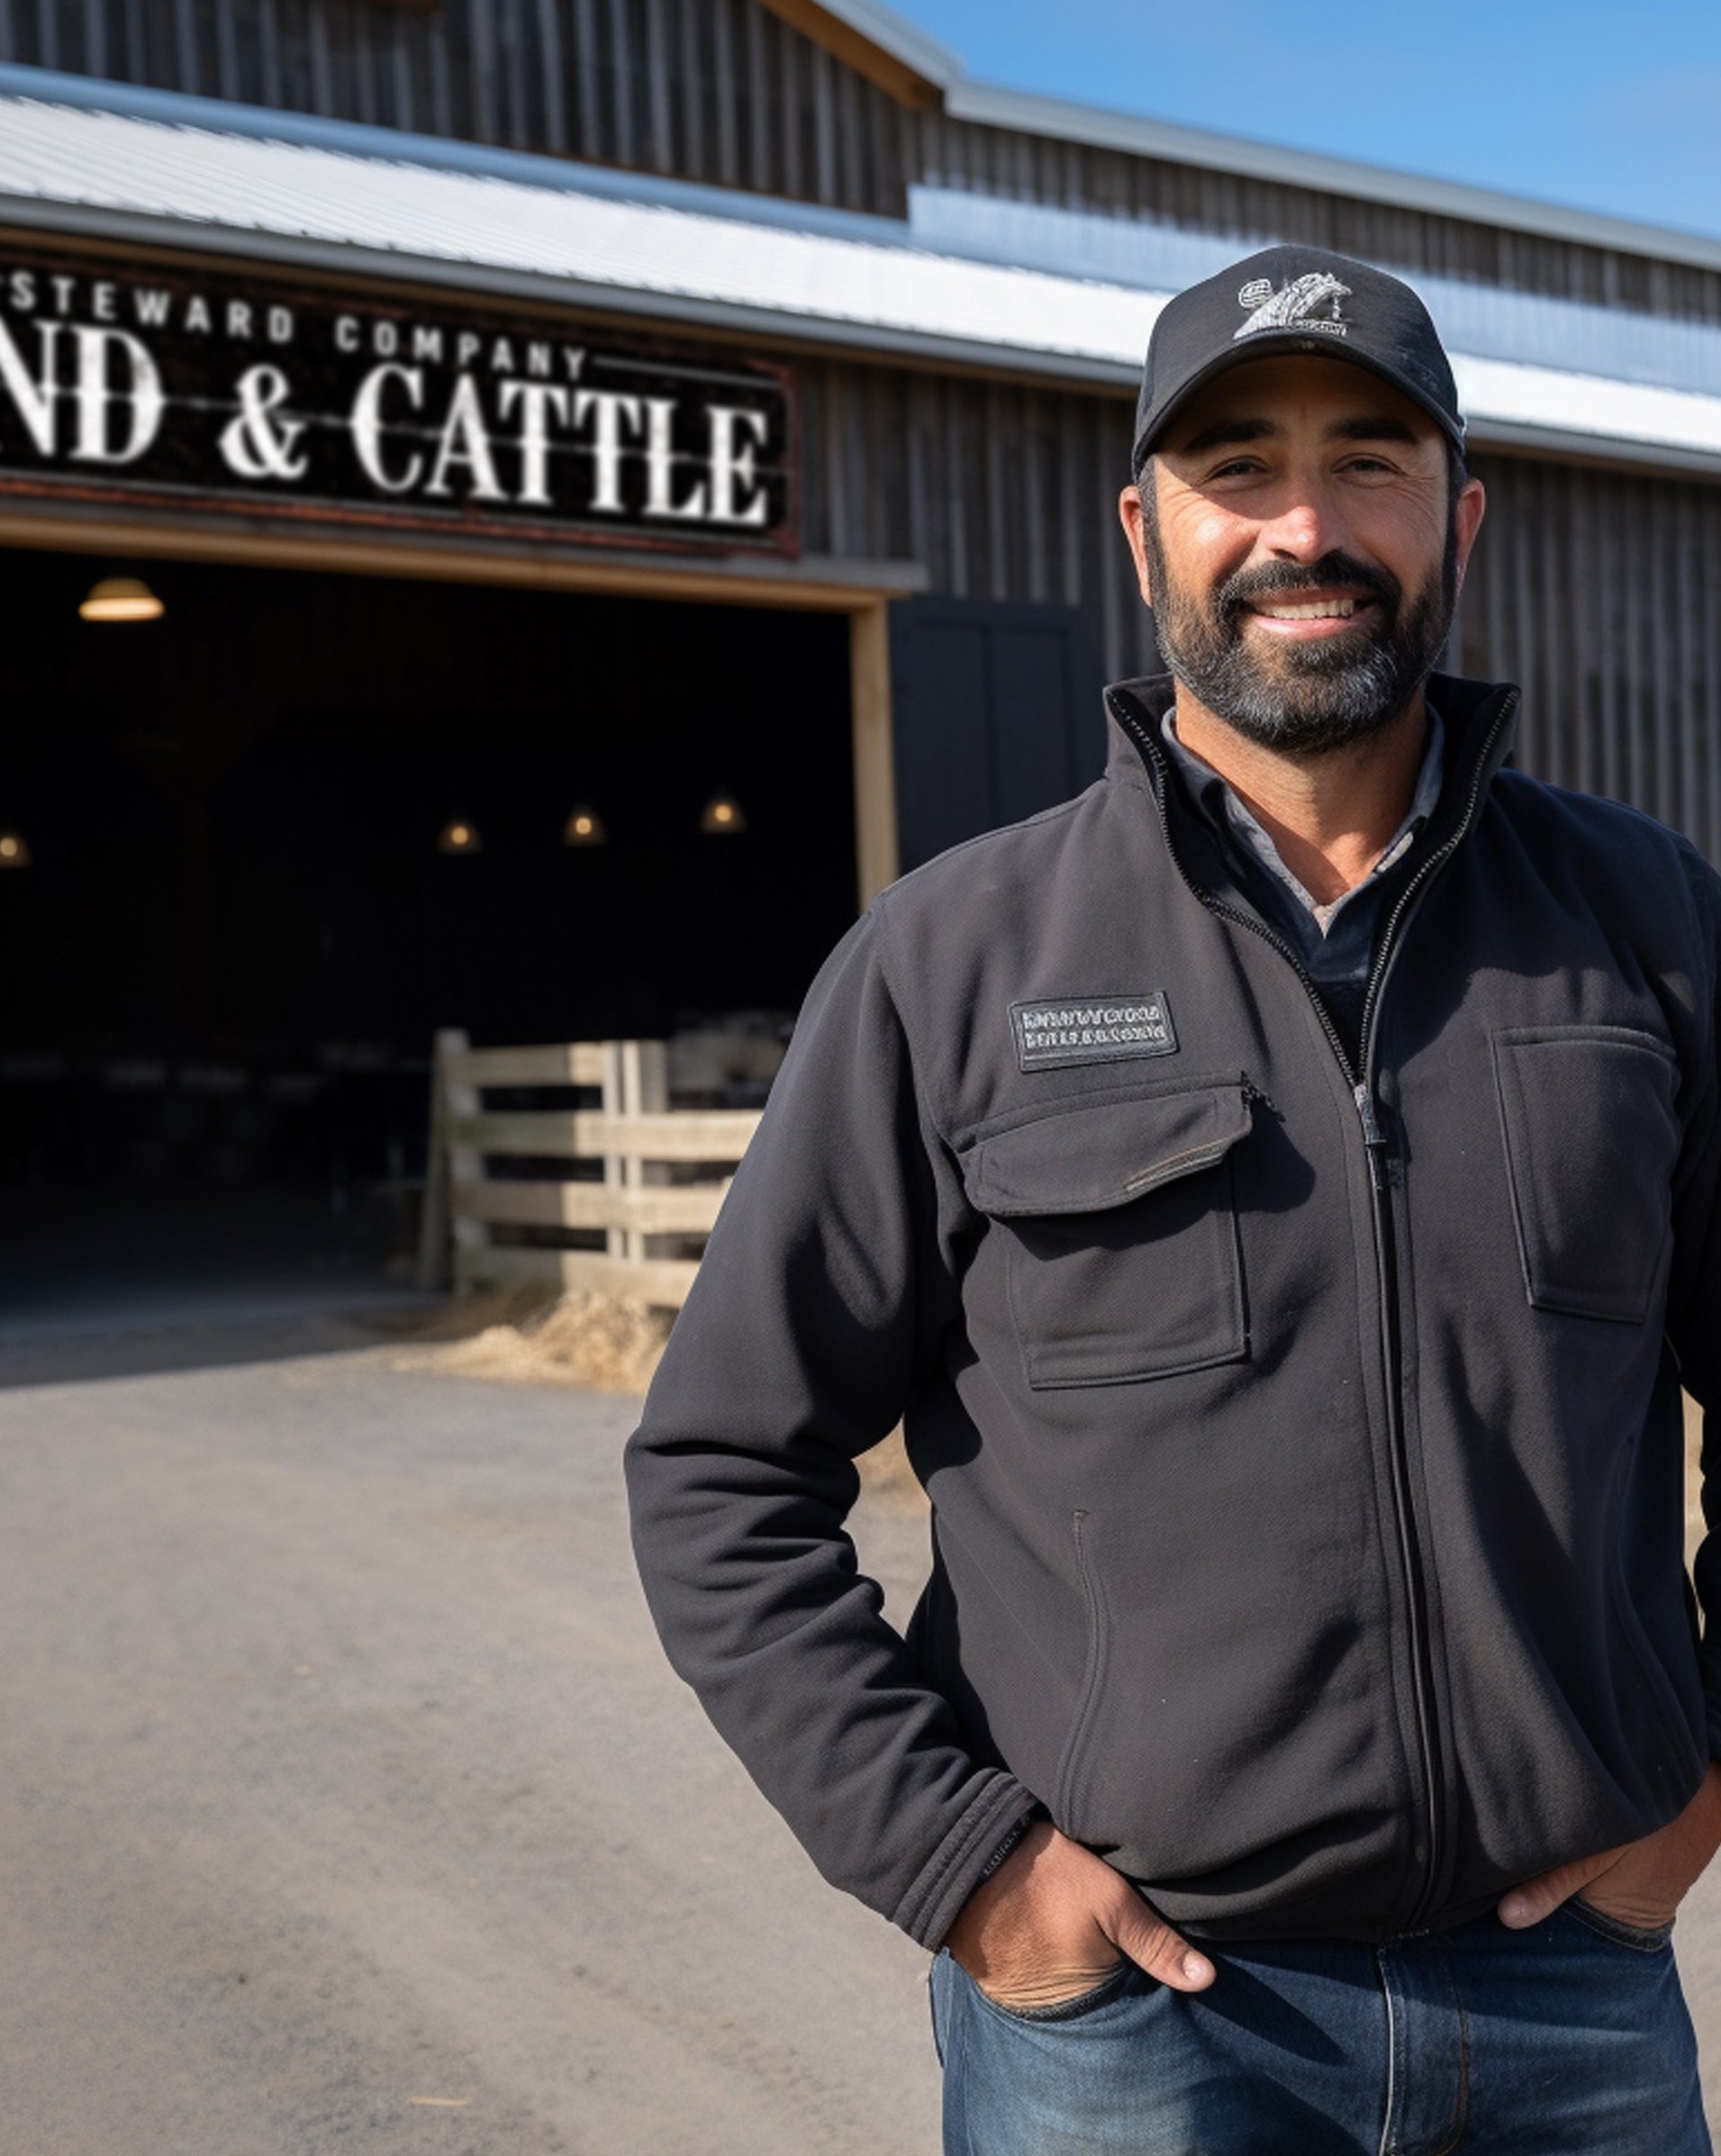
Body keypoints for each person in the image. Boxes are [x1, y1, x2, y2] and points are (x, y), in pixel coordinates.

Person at [623, 244, 1721, 2152]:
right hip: (1136, 2038)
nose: (1307, 526)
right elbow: (720, 1468)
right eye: (1240, 470)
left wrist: (1698, 1790)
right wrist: (965, 1868)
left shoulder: (1650, 933)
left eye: (1368, 461)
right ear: (1145, 533)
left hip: (1573, 2011)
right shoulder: (953, 963)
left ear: (1461, 515)